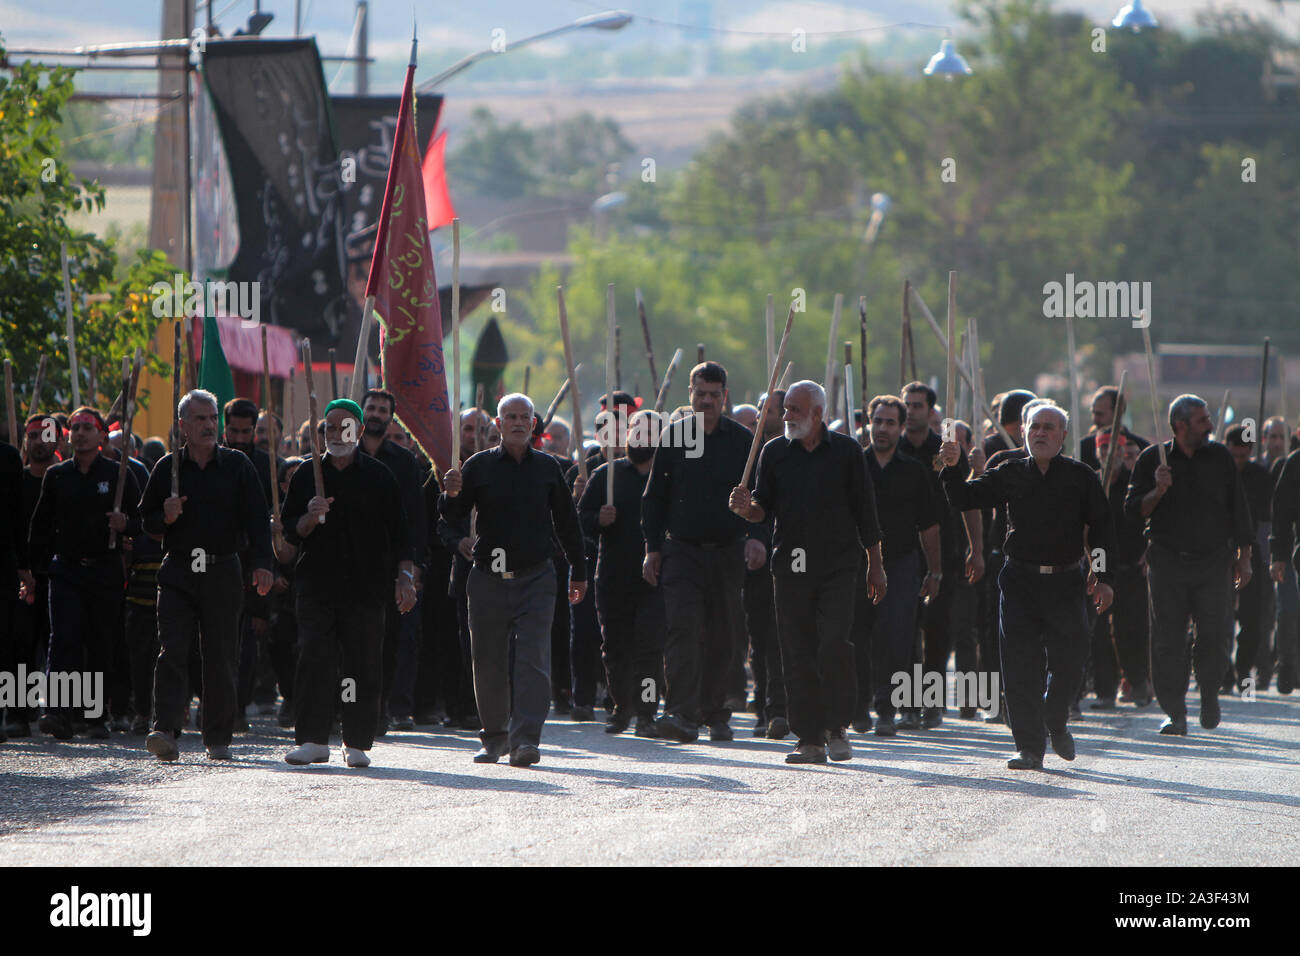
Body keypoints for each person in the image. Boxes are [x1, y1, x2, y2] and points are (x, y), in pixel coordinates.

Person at [941, 399, 1115, 769]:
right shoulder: (1009, 472)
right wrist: (953, 467)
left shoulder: (1081, 476)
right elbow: (963, 497)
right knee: (1019, 666)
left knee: (1070, 658)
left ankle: (1056, 716)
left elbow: (1101, 530)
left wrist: (1102, 577)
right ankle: (1029, 747)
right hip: (1019, 581)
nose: (1040, 433)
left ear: (1063, 436)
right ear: (1023, 432)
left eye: (1049, 427)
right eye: (1034, 427)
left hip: (1067, 582)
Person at [730, 382, 885, 763]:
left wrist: (875, 565)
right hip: (791, 567)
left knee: (833, 643)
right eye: (785, 410)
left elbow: (866, 511)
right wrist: (746, 509)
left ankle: (837, 726)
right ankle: (808, 737)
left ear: (818, 413)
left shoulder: (847, 452)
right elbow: (762, 509)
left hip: (838, 565)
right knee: (796, 649)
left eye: (795, 410)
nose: (786, 417)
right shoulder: (774, 452)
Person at [440, 394, 588, 767]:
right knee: (487, 659)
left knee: (532, 658)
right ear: (498, 423)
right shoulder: (476, 466)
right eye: (511, 417)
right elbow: (450, 517)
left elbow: (568, 524)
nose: (518, 422)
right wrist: (451, 493)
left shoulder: (549, 468)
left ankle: (525, 741)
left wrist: (579, 571)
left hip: (536, 576)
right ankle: (494, 739)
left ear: (533, 424)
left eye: (525, 417)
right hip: (488, 576)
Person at [279, 398, 415, 768]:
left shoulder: (379, 476)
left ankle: (355, 739)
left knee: (361, 664)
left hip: (366, 587)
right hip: (316, 586)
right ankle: (312, 739)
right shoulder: (307, 475)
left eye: (345, 426)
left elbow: (401, 536)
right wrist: (310, 516)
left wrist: (405, 578)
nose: (337, 434)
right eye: (330, 428)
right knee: (314, 660)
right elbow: (290, 536)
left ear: (358, 430)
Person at [140, 390, 274, 762]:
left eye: (212, 417)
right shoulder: (168, 468)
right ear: (183, 425)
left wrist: (263, 562)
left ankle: (218, 737)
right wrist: (164, 518)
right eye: (200, 419)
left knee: (220, 655)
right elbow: (144, 521)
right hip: (180, 568)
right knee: (173, 650)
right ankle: (164, 728)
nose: (208, 425)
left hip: (222, 569)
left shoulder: (237, 466)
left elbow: (257, 521)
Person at [641, 362, 763, 744]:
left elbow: (761, 498)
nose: (707, 401)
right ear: (690, 395)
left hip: (728, 551)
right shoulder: (675, 437)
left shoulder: (743, 441)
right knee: (683, 628)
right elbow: (654, 498)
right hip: (682, 551)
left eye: (714, 394)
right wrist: (652, 548)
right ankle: (680, 711)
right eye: (700, 393)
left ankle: (716, 713)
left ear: (724, 397)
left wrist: (756, 535)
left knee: (724, 634)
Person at [1124, 395, 1252, 736]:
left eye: (1208, 419)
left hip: (1213, 562)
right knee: (1168, 640)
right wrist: (1158, 490)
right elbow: (1133, 510)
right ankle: (1175, 711)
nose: (1210, 426)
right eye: (1202, 420)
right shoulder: (1154, 459)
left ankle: (1209, 693)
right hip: (1167, 563)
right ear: (1180, 426)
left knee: (1213, 635)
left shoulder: (1220, 457)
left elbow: (1239, 509)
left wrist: (1245, 558)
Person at [26, 407, 141, 740]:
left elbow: (142, 520)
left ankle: (93, 716)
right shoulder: (58, 476)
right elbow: (41, 526)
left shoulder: (119, 475)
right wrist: (32, 571)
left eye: (86, 428)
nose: (78, 433)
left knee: (99, 642)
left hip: (104, 569)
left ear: (102, 435)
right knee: (63, 639)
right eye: (74, 428)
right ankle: (58, 712)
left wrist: (126, 525)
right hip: (66, 570)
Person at [855, 395, 940, 736]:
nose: (883, 428)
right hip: (857, 563)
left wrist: (935, 570)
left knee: (896, 635)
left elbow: (929, 526)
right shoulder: (855, 465)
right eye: (877, 421)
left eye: (890, 422)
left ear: (901, 428)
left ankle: (887, 709)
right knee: (857, 635)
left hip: (902, 564)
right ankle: (858, 708)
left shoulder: (914, 471)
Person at [578, 409, 667, 736]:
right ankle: (620, 706)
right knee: (614, 645)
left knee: (649, 647)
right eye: (636, 430)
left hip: (655, 577)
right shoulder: (607, 475)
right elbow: (580, 518)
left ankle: (646, 712)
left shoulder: (667, 477)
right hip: (613, 575)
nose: (642, 437)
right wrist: (597, 519)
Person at [358, 389, 428, 733]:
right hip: (349, 561)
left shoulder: (404, 462)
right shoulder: (343, 453)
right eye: (371, 407)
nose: (376, 413)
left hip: (388, 564)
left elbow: (415, 518)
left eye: (383, 409)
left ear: (391, 417)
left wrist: (411, 568)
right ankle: (346, 706)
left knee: (386, 640)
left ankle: (379, 706)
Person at [741, 391, 788, 738]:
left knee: (785, 635)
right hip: (754, 559)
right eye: (759, 409)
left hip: (790, 554)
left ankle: (782, 708)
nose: (761, 416)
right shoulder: (748, 453)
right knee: (758, 635)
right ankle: (761, 706)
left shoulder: (790, 454)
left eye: (769, 410)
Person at [1223, 424, 1274, 694]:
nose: (1238, 462)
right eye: (1233, 456)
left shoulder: (1261, 478)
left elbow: (1268, 517)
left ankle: (1244, 671)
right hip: (1218, 554)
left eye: (1243, 457)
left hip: (1250, 554)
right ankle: (1222, 673)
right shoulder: (1216, 475)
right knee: (1219, 618)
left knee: (1251, 619)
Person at [1079, 386, 1149, 470]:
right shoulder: (1083, 447)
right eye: (1093, 413)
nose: (1095, 420)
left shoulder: (1142, 448)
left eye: (1100, 414)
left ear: (1118, 413)